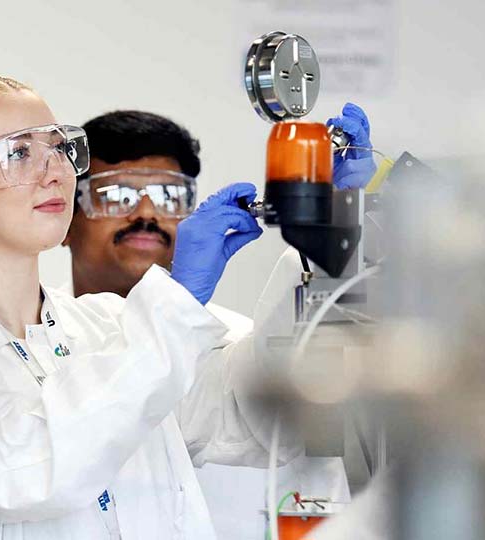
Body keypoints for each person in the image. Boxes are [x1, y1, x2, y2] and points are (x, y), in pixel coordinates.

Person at [0, 73, 302, 540]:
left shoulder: (108, 324)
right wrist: (174, 304)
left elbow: (251, 413)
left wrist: (318, 252)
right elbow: (25, 471)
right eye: (18, 152)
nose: (55, 172)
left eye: (59, 148)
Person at [63, 108, 375, 538]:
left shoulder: (239, 347)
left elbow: (311, 460)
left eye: (169, 196)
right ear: (64, 216)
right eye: (117, 195)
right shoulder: (40, 349)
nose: (147, 214)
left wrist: (332, 238)